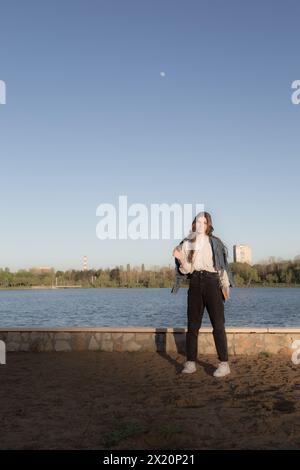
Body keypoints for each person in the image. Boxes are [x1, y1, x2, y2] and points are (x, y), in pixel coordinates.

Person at [172, 211, 233, 377]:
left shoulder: (215, 242)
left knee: (218, 325)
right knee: (192, 326)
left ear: (208, 225)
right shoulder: (187, 243)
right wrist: (180, 259)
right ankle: (190, 362)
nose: (201, 225)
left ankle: (224, 364)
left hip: (213, 283)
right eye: (198, 222)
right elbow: (187, 269)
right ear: (194, 224)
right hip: (195, 283)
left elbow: (222, 266)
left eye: (204, 222)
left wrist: (226, 285)